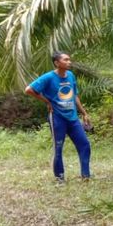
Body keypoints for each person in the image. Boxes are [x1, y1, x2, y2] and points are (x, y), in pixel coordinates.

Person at [25, 51, 91, 182]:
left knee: (84, 144)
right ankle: (59, 177)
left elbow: (74, 95)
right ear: (57, 63)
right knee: (58, 148)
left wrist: (84, 113)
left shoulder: (71, 76)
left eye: (69, 60)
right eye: (65, 60)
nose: (69, 62)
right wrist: (47, 101)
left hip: (72, 118)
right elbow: (28, 89)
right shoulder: (48, 77)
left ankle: (86, 175)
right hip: (57, 118)